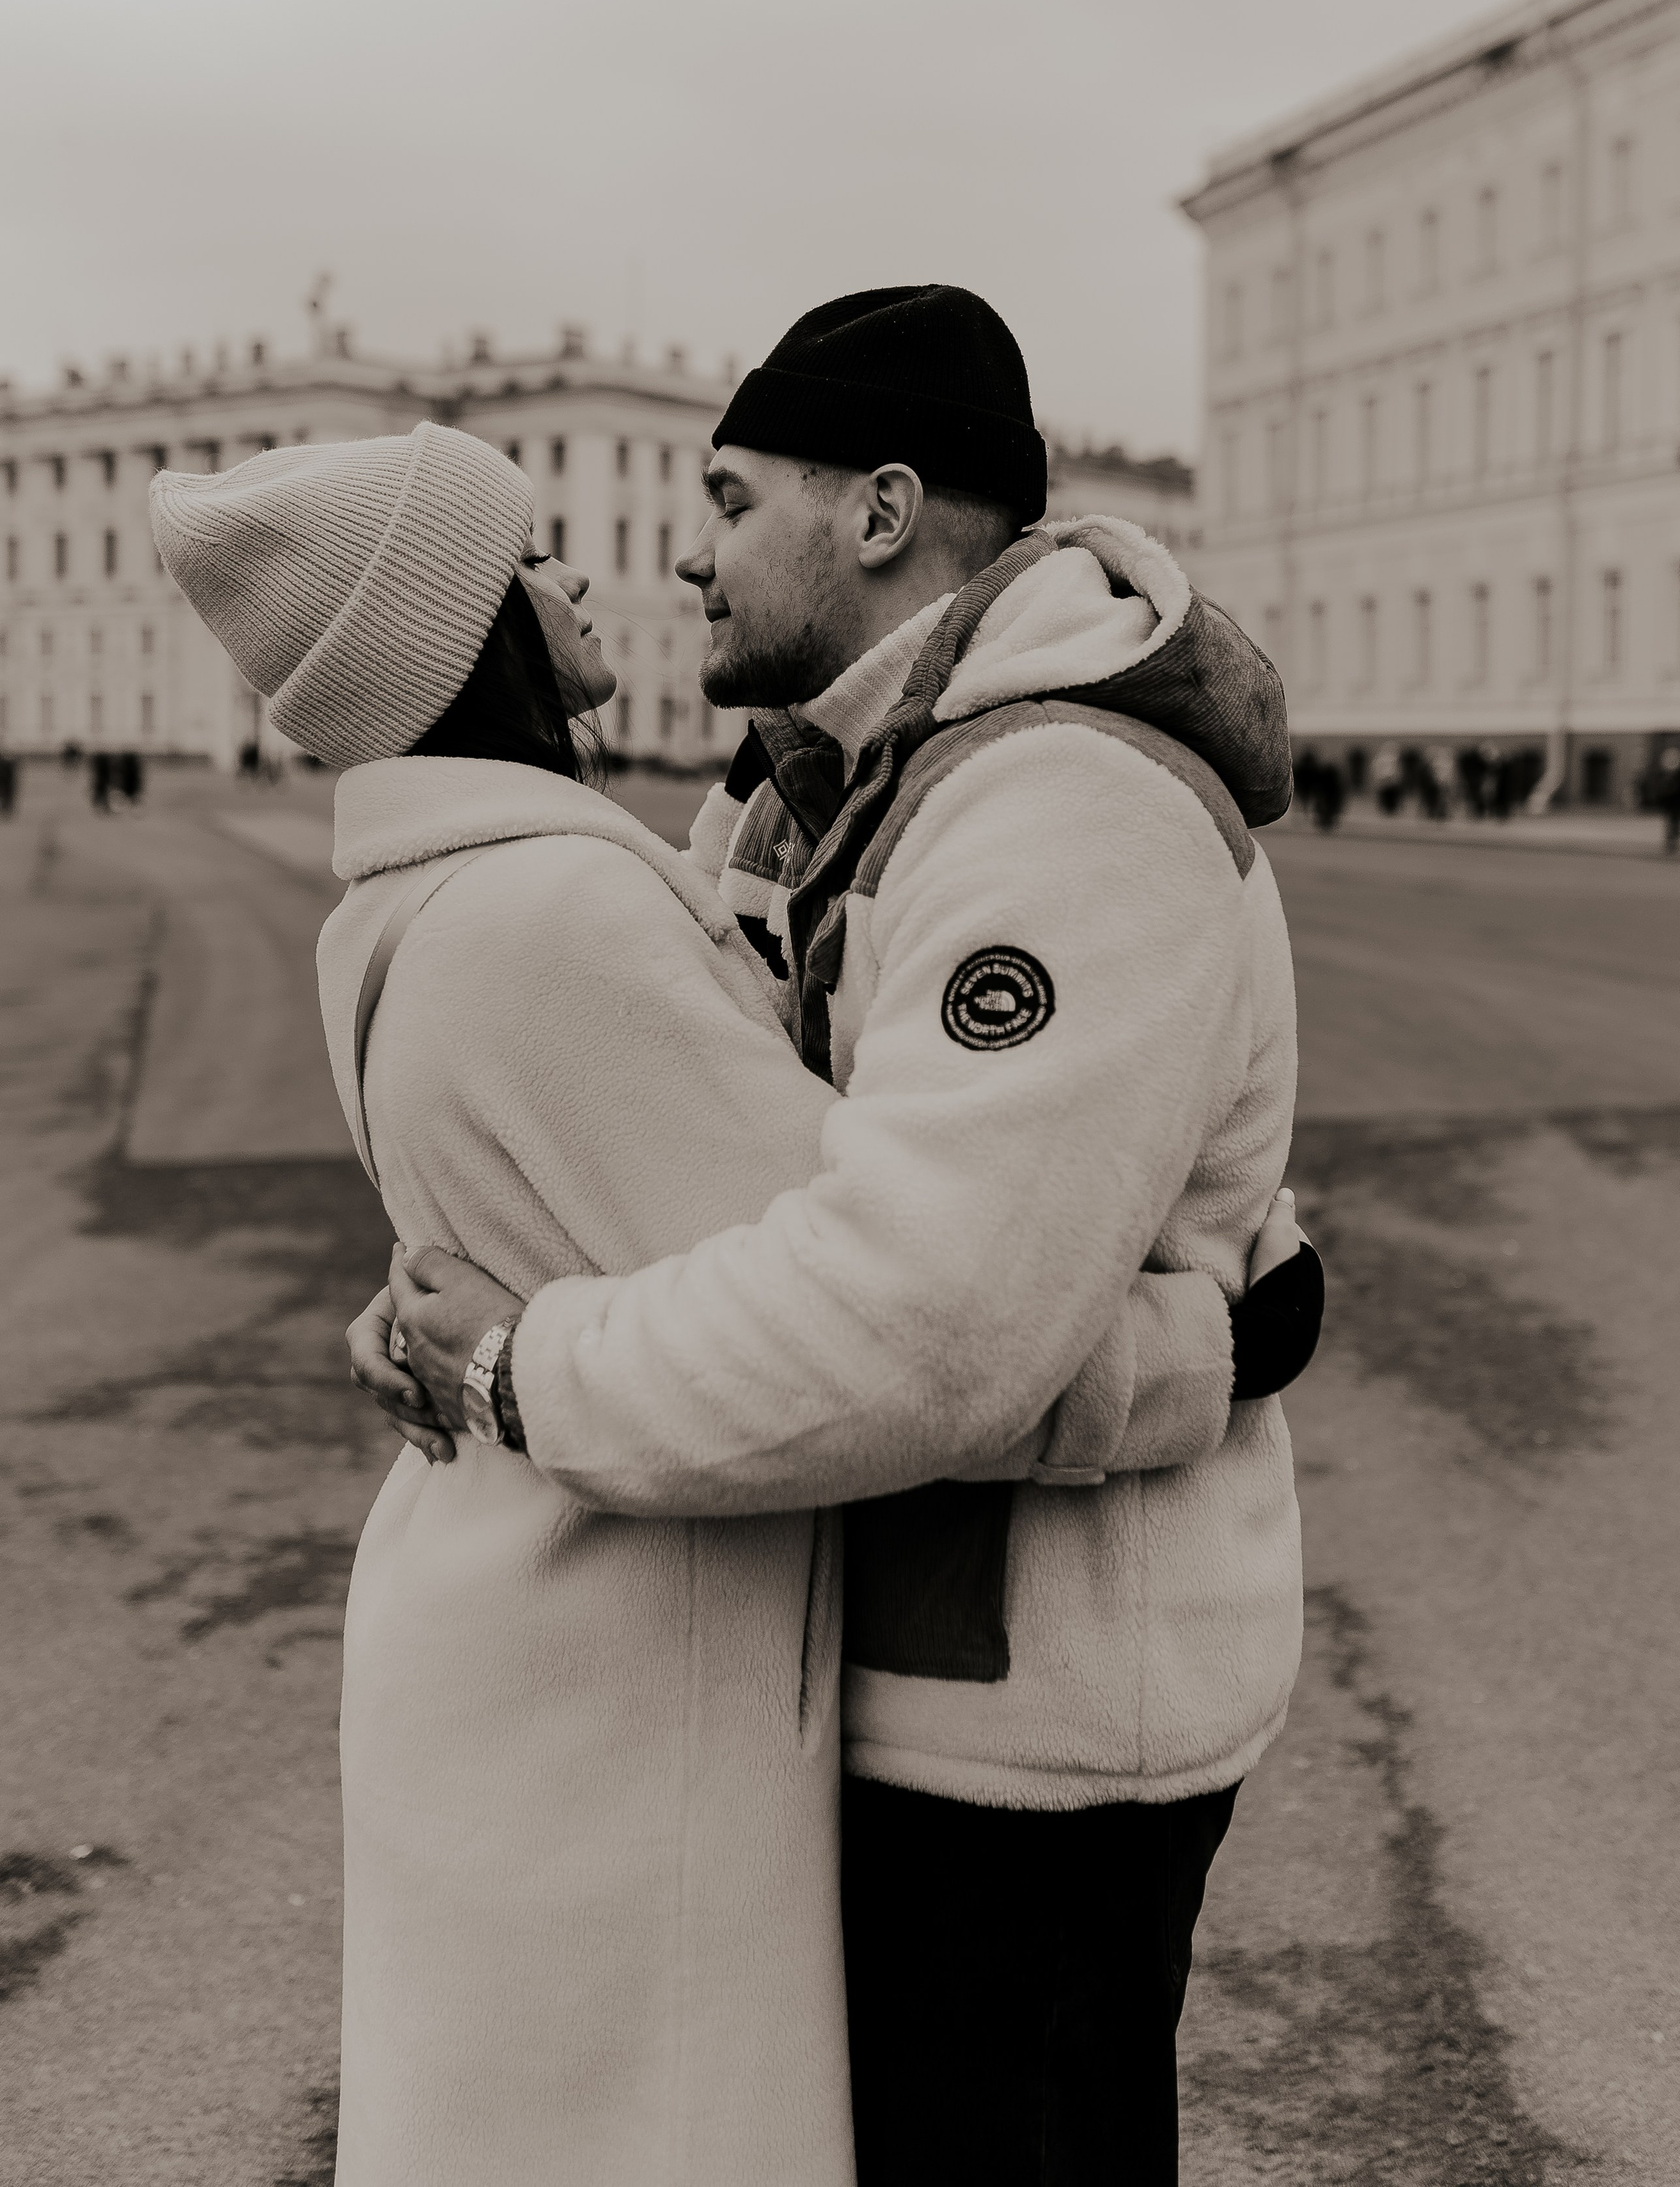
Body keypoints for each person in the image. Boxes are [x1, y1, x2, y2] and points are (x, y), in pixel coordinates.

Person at [149, 418, 1313, 2187]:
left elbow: (616, 1246)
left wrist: (448, 1326)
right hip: (617, 1638)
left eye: (719, 504)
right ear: (461, 628)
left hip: (545, 1608)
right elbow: (900, 1321)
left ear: (885, 511)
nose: (609, 567)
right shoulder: (562, 905)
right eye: (531, 559)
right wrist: (1225, 1333)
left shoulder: (419, 892)